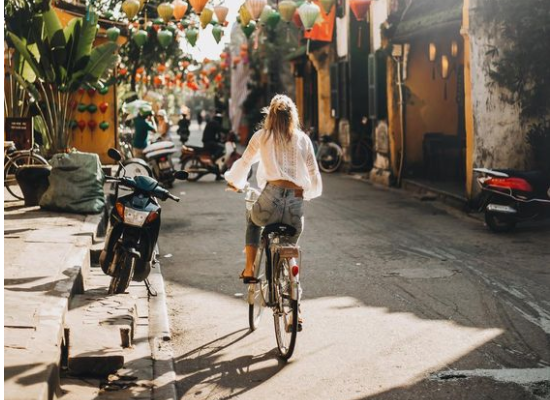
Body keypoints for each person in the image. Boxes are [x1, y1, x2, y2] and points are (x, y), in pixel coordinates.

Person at [225, 94, 322, 284]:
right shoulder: (303, 139)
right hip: (295, 202)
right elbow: (313, 173)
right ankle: (296, 306)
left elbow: (245, 163)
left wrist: (235, 182)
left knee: (253, 220)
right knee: (290, 249)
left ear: (270, 116)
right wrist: (308, 193)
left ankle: (249, 269)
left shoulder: (262, 136)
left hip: (270, 200)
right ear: (292, 116)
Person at [202, 112, 228, 180]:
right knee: (221, 149)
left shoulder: (212, 123)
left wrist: (221, 140)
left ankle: (218, 175)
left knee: (218, 156)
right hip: (209, 142)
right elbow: (221, 130)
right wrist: (230, 131)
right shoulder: (214, 123)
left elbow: (218, 135)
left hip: (209, 142)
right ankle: (213, 159)